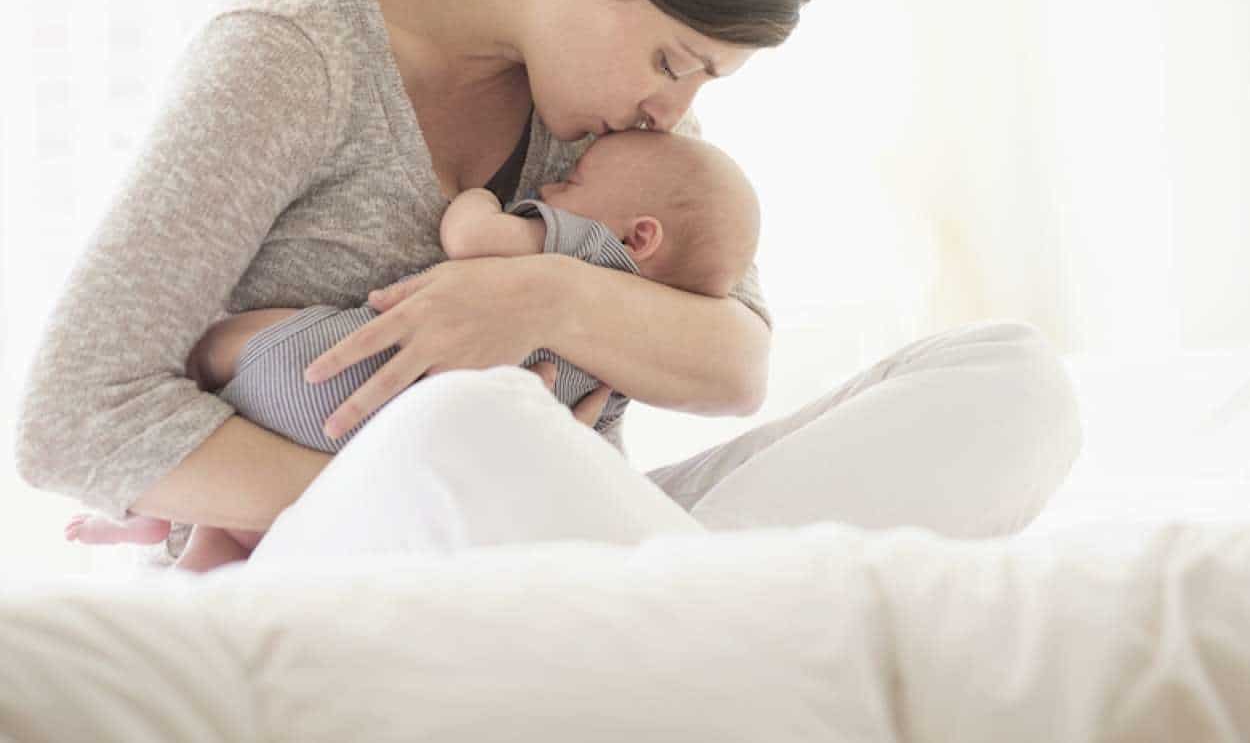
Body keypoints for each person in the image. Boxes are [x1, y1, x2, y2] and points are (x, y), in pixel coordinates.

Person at [15, 0, 1081, 572]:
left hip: (578, 540)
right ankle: (691, 622)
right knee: (475, 424)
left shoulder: (603, 104)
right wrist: (417, 488)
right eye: (677, 59)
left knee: (1011, 383)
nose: (676, 106)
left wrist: (540, 299)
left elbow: (734, 360)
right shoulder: (296, 54)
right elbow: (70, 416)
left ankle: (656, 620)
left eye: (706, 78)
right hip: (352, 554)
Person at [62, 128, 760, 571]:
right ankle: (197, 552)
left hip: (326, 373)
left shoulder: (582, 247)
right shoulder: (635, 347)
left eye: (571, 183)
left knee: (229, 344)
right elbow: (588, 442)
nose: (551, 186)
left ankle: (177, 515)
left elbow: (471, 240)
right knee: (237, 542)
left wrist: (481, 201)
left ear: (639, 238)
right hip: (376, 430)